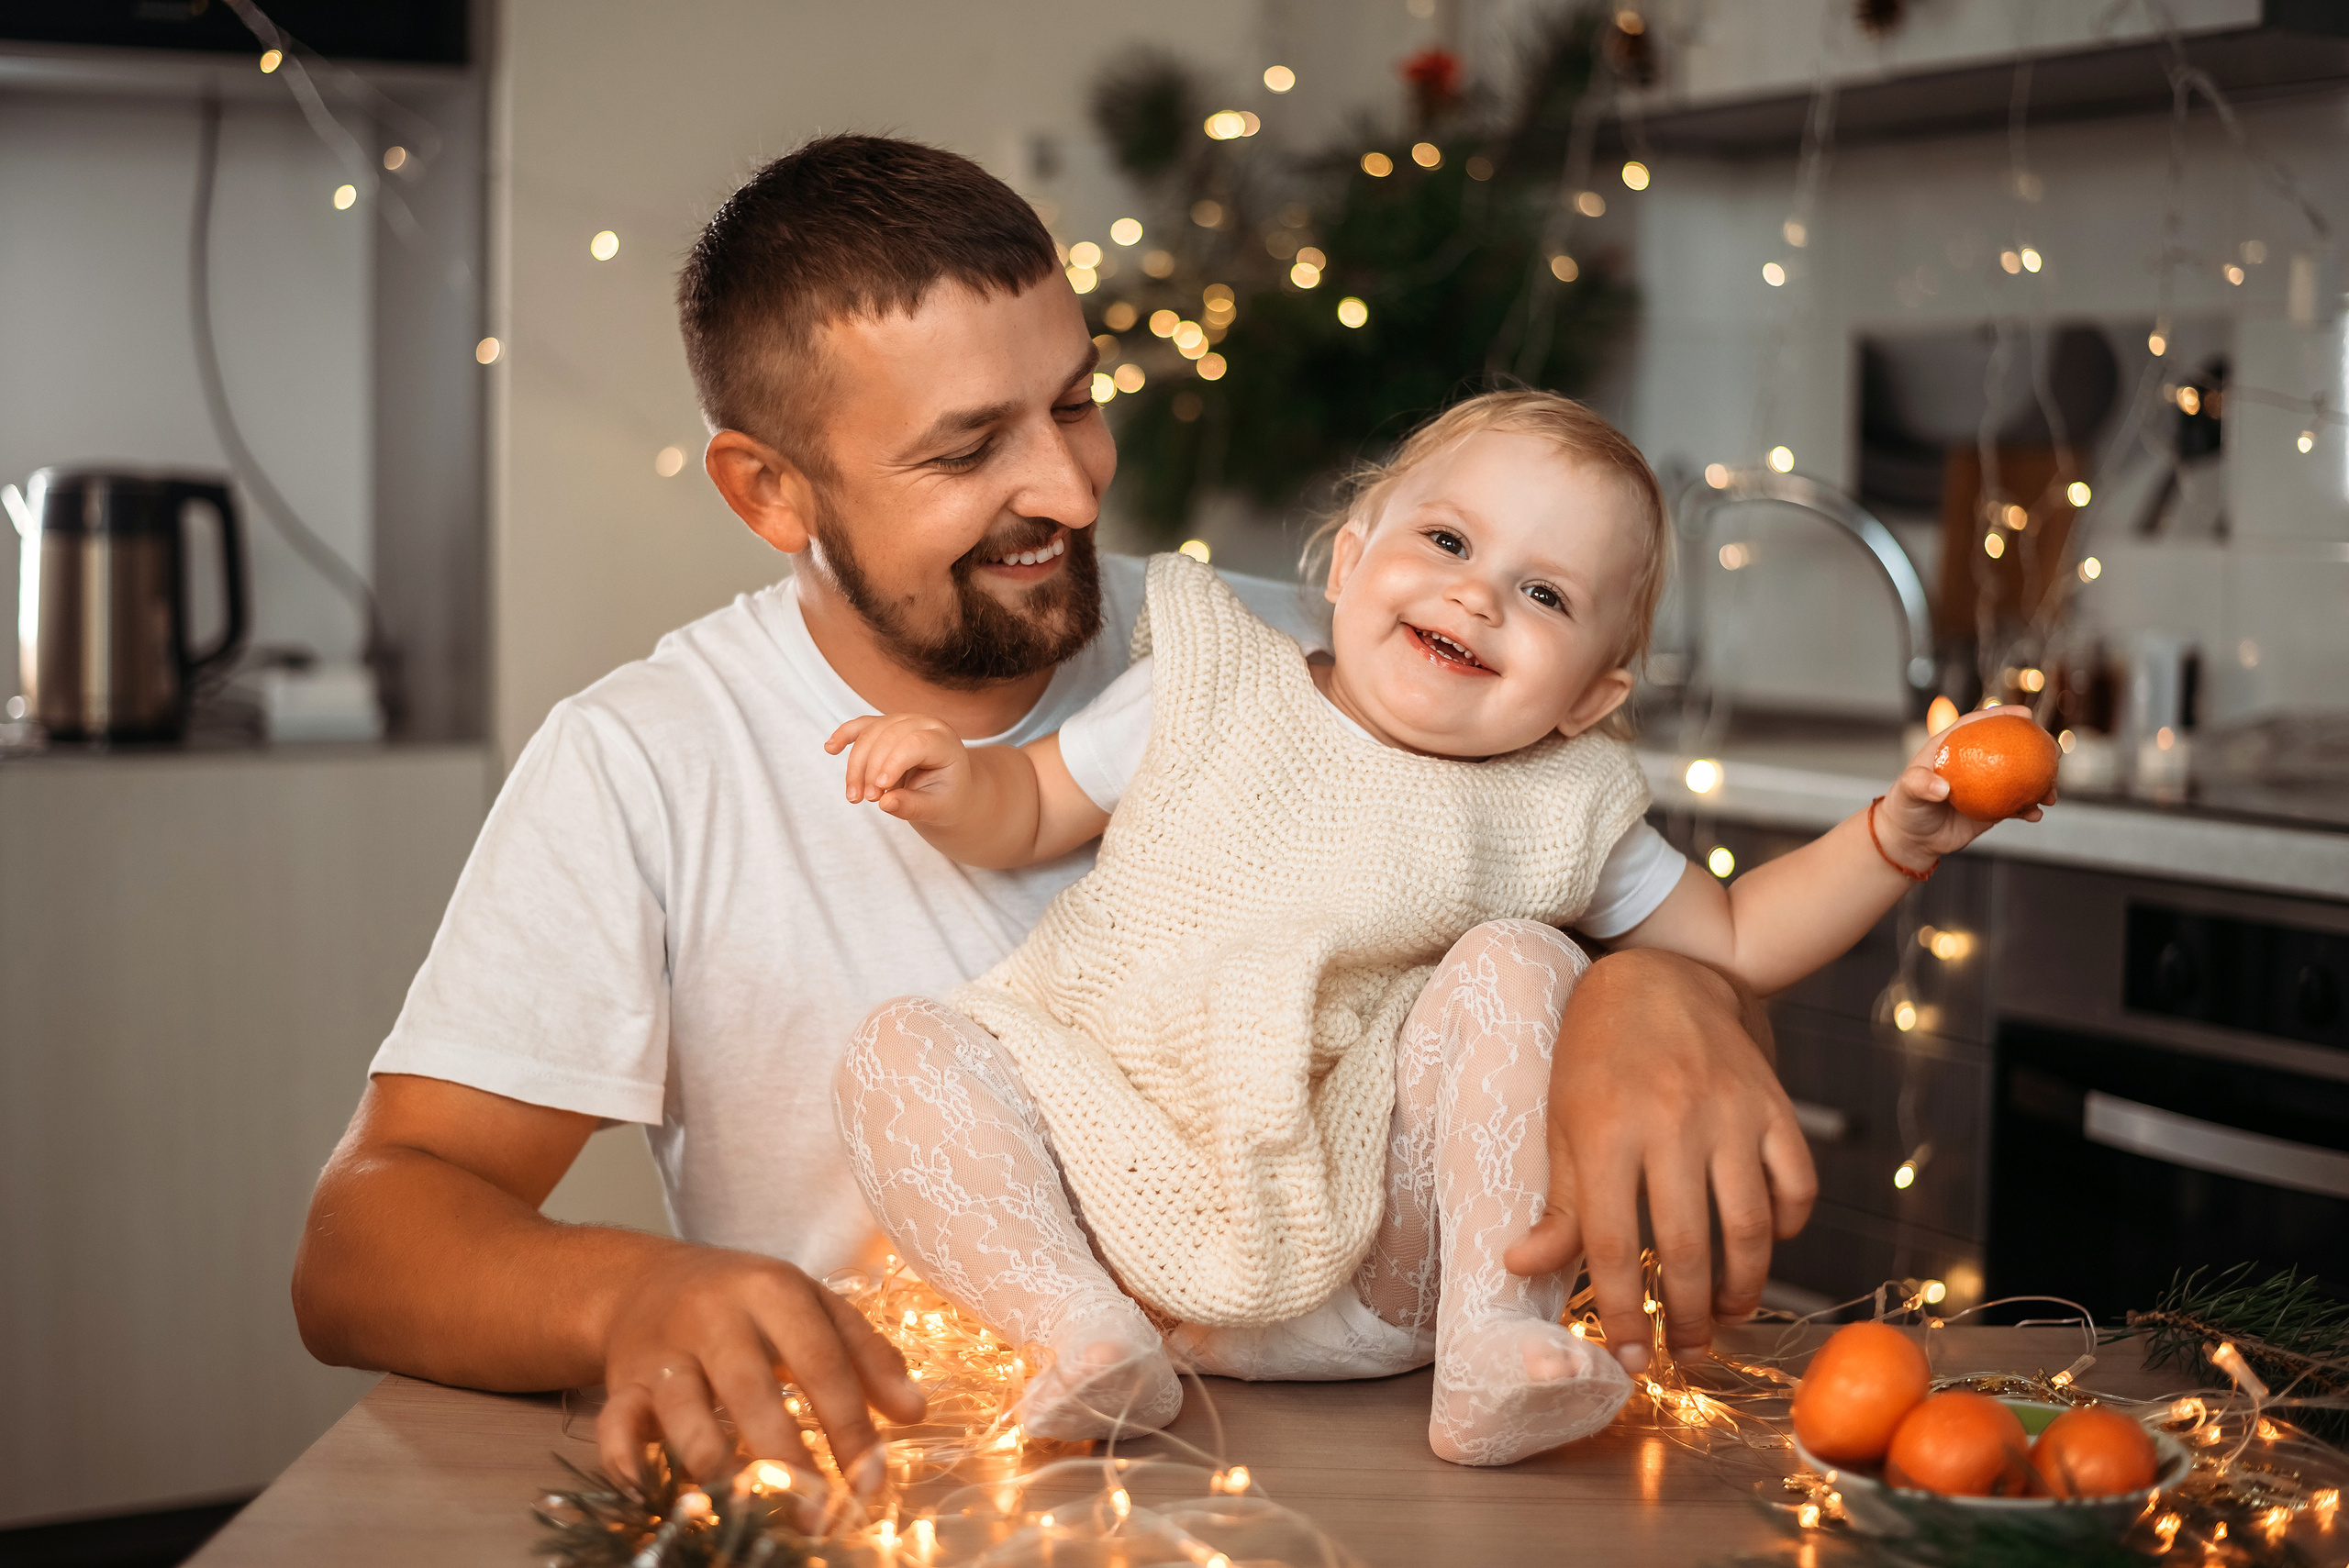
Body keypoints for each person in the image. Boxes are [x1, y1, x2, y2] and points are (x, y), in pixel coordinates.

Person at [290, 134, 1816, 1492]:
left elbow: (1603, 900)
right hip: (958, 1485)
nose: (1077, 492)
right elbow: (366, 1241)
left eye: (1075, 404)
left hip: (1396, 1486)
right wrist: (628, 1297)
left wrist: (1654, 988)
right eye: (967, 450)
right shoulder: (644, 762)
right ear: (771, 493)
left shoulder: (1308, 651)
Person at [827, 391, 2050, 1464]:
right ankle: (1074, 1328)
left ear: (1590, 698)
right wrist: (953, 778)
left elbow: (1728, 936)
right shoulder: (1212, 680)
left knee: (1524, 958)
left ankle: (1490, 1344)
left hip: (1379, 1258)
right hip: (1124, 1194)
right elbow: (1034, 802)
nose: (1478, 592)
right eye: (1450, 540)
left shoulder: (1562, 805)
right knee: (901, 1045)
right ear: (1351, 560)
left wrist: (1893, 838)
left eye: (1546, 594)